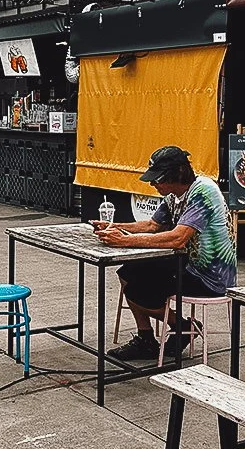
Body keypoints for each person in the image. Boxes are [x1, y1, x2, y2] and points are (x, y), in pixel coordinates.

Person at [94, 146, 237, 361]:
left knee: (137, 290)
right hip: (188, 264)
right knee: (128, 273)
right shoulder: (173, 196)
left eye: (157, 179)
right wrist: (113, 226)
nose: (153, 184)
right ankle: (147, 339)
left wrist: (124, 240)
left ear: (177, 174)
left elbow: (177, 238)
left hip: (209, 276)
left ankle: (182, 327)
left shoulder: (204, 191)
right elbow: (153, 225)